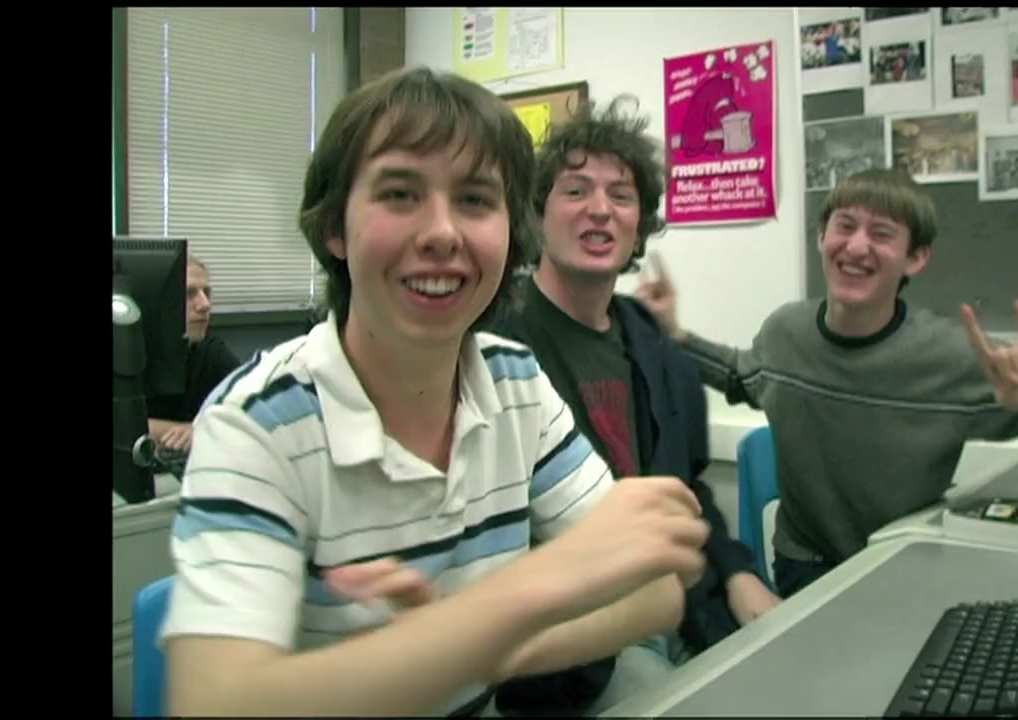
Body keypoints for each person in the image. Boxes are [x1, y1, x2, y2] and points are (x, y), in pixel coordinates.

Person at [159, 67, 712, 718]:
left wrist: (459, 640)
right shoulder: (255, 422)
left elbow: (656, 592)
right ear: (335, 226)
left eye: (476, 200)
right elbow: (213, 701)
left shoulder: (516, 383)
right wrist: (516, 598)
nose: (443, 233)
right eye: (399, 193)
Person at [635, 168, 1018, 599]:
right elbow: (739, 376)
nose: (857, 246)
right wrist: (674, 335)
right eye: (844, 226)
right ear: (821, 237)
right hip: (806, 566)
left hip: (905, 562)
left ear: (915, 258)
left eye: (881, 234)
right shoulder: (786, 332)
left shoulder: (951, 357)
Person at [487, 96, 779, 714]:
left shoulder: (649, 338)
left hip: (687, 605)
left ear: (638, 224)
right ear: (537, 214)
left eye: (621, 196)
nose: (600, 209)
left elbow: (687, 489)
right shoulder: (496, 342)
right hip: (580, 646)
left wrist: (737, 573)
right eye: (576, 191)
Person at [145, 255, 242, 451]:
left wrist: (198, 430)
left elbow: (255, 410)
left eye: (207, 292)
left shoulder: (211, 353)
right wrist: (197, 430)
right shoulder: (126, 354)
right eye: (189, 294)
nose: (205, 305)